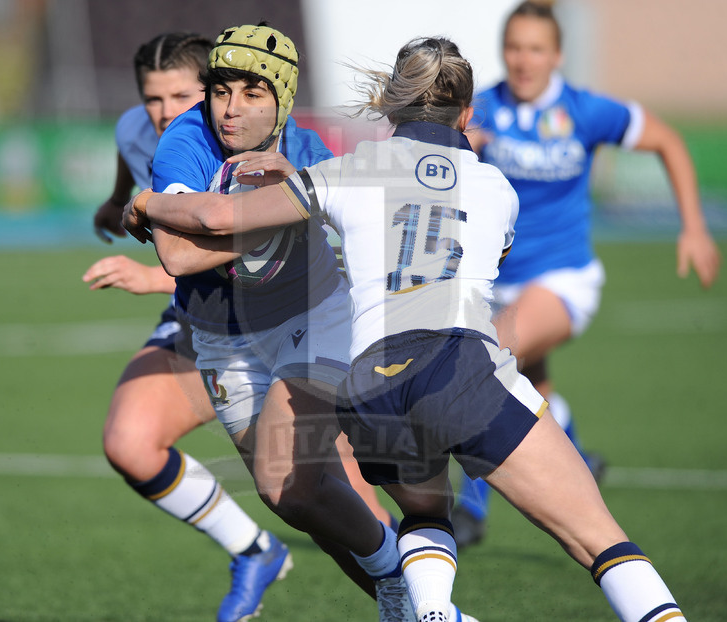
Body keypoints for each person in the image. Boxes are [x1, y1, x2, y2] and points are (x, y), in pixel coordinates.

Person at [123, 34, 690, 622]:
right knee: (603, 542)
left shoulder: (346, 169)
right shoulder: (498, 189)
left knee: (423, 519)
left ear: (390, 105)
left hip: (375, 383)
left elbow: (213, 216)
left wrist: (144, 205)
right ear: (468, 115)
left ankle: (435, 614)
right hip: (460, 367)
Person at [116, 23, 462, 622]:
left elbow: (206, 236)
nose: (230, 109)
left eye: (252, 93)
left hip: (313, 315)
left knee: (287, 477)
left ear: (281, 97)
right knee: (295, 500)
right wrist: (281, 219)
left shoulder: (306, 154)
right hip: (219, 339)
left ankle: (413, 585)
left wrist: (225, 218)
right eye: (221, 90)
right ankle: (395, 579)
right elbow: (176, 257)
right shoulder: (184, 140)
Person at [451, 0, 722, 548]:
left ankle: (469, 507)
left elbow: (667, 141)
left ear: (558, 55)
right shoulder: (486, 111)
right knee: (528, 386)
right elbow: (441, 160)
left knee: (487, 357)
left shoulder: (586, 110)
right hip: (494, 284)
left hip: (564, 280)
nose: (523, 61)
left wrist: (693, 227)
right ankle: (576, 452)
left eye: (536, 49)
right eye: (514, 48)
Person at [82, 32, 295, 622]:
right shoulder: (136, 130)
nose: (165, 111)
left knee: (317, 496)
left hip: (276, 321)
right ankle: (255, 551)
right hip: (199, 317)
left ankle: (423, 596)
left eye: (182, 94)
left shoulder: (246, 145)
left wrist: (148, 272)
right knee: (129, 442)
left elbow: (247, 250)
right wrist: (115, 201)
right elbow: (136, 183)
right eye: (152, 99)